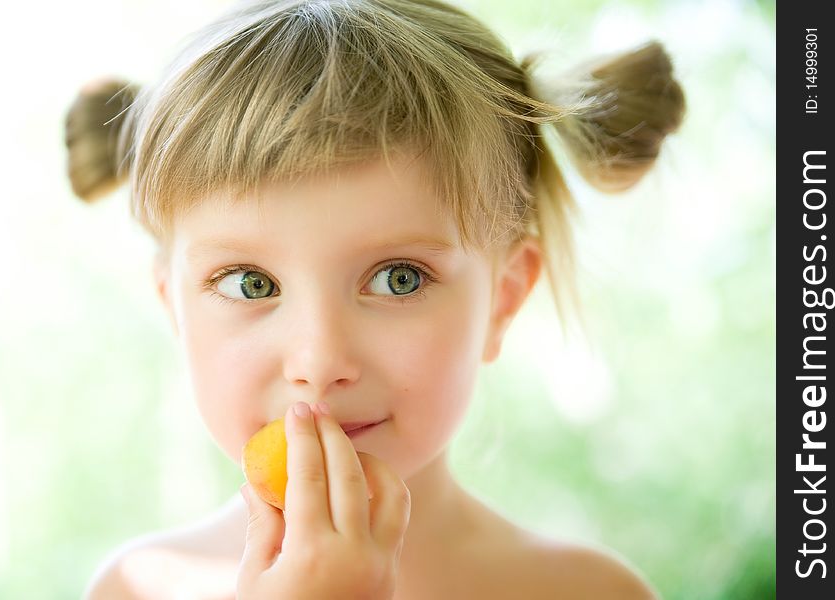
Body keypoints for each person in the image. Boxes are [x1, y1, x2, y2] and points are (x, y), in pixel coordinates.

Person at [64, 0, 685, 597]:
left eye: (399, 278)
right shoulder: (137, 589)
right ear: (174, 306)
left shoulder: (593, 594)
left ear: (503, 299)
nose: (318, 361)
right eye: (251, 283)